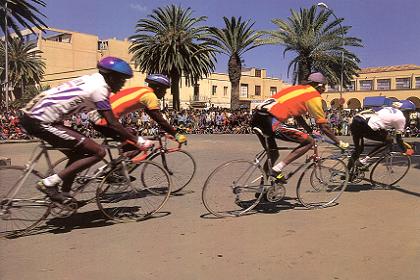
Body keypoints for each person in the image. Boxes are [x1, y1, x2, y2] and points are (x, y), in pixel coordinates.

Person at [20, 56, 146, 203]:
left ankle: (66, 194)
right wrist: (137, 140)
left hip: (39, 118)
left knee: (78, 154)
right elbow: (111, 122)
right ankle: (48, 183)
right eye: (121, 80)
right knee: (99, 151)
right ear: (111, 77)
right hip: (41, 121)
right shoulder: (99, 88)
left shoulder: (91, 80)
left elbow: (105, 119)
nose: (122, 84)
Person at [250, 72, 349, 183]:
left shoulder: (297, 89)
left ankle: (262, 189)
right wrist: (339, 142)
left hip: (256, 118)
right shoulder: (313, 95)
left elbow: (297, 115)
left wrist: (309, 130)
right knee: (309, 142)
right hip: (271, 120)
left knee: (273, 154)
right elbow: (324, 126)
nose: (324, 89)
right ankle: (277, 169)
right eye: (324, 86)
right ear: (319, 85)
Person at [88, 73, 187, 151]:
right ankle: (119, 172)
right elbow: (159, 119)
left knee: (132, 133)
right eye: (164, 90)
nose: (165, 93)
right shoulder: (150, 96)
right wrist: (176, 134)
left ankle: (121, 165)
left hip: (97, 116)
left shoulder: (142, 90)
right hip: (104, 121)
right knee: (140, 145)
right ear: (158, 88)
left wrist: (168, 131)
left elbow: (153, 115)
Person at [348, 102, 414, 173]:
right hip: (367, 125)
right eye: (410, 113)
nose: (409, 116)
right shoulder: (401, 119)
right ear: (406, 112)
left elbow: (375, 115)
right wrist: (405, 150)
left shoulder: (388, 108)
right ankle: (364, 161)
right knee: (389, 141)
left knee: (358, 150)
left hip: (355, 121)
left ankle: (347, 173)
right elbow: (399, 139)